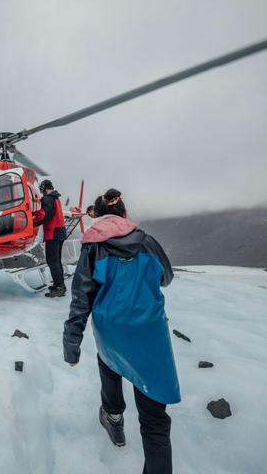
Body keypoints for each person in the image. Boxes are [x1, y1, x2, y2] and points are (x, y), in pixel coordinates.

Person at [63, 188, 178, 474]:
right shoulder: (147, 241)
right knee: (155, 420)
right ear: (125, 216)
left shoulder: (92, 248)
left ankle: (114, 419)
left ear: (97, 219)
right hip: (150, 332)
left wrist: (72, 345)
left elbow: (81, 298)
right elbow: (166, 277)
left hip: (111, 329)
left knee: (109, 361)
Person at [32, 179, 66, 297]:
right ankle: (60, 284)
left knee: (52, 261)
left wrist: (31, 222)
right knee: (57, 261)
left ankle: (59, 287)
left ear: (44, 188)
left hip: (53, 233)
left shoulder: (47, 198)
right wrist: (35, 213)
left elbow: (45, 216)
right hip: (60, 231)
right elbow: (46, 212)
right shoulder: (54, 198)